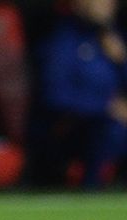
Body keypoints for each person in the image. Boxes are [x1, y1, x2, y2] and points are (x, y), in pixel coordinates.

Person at [34, 0, 127, 188]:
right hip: (71, 129)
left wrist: (122, 61)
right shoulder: (63, 41)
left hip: (113, 122)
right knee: (110, 129)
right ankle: (92, 188)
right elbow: (55, 96)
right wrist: (105, 108)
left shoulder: (114, 41)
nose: (107, 5)